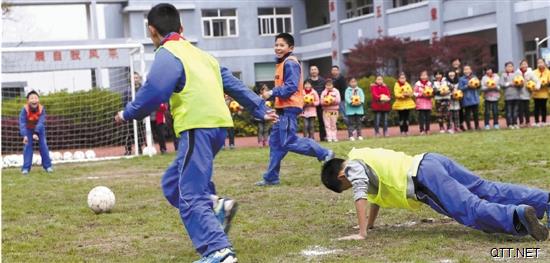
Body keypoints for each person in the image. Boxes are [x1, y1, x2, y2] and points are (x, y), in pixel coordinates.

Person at [114, 4, 277, 262]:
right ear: (181, 28)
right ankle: (216, 206)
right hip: (217, 127)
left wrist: (127, 113)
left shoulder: (167, 53)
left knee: (190, 193)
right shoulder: (203, 55)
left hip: (196, 127)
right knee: (172, 184)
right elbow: (232, 83)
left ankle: (218, 250)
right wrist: (259, 107)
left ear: (152, 31)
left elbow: (155, 91)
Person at [321, 147, 550, 241]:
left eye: (346, 187)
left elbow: (361, 194)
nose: (351, 186)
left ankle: (517, 217)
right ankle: (544, 201)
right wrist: (370, 224)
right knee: (486, 188)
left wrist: (362, 234)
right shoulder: (362, 155)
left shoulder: (352, 169)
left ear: (341, 177)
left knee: (468, 208)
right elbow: (374, 199)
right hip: (430, 160)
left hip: (423, 178)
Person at [259, 33, 333, 186]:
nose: (278, 48)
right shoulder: (282, 63)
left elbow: (291, 87)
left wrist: (272, 93)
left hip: (288, 109)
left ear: (290, 48)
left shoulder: (290, 63)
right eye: (276, 45)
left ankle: (325, 153)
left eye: (282, 45)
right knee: (276, 143)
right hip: (283, 109)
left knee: (288, 141)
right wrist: (270, 96)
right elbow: (285, 87)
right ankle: (271, 177)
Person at [19, 90, 53, 175]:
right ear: (28, 101)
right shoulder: (24, 109)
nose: (34, 100)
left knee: (43, 146)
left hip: (39, 130)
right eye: (31, 98)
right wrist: (25, 135)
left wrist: (36, 133)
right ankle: (26, 168)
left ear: (38, 100)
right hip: (28, 130)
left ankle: (48, 166)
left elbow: (41, 122)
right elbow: (22, 123)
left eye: (36, 98)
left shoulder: (42, 109)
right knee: (27, 147)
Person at [124, 71, 146, 155]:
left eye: (136, 78)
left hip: (140, 114)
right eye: (133, 78)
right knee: (129, 133)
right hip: (130, 114)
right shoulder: (127, 91)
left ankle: (139, 148)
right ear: (130, 79)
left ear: (139, 79)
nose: (135, 79)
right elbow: (124, 103)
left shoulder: (143, 89)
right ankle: (128, 150)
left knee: (140, 132)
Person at [516, 59, 540, 128]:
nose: (524, 65)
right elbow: (514, 81)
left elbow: (537, 81)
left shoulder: (530, 73)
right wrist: (518, 84)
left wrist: (536, 87)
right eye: (522, 64)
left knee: (527, 109)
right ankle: (521, 123)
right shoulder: (517, 73)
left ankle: (528, 122)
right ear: (520, 65)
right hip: (518, 94)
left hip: (526, 94)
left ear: (527, 65)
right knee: (520, 110)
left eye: (525, 64)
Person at [306, 65, 327, 141]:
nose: (314, 71)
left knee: (322, 120)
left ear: (318, 71)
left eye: (315, 69)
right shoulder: (307, 81)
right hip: (310, 105)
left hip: (321, 104)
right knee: (309, 123)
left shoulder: (323, 80)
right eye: (312, 70)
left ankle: (323, 137)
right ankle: (310, 138)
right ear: (310, 71)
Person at [459, 65, 481, 130]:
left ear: (471, 70)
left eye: (468, 69)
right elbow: (460, 88)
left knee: (476, 113)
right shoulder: (461, 79)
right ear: (463, 71)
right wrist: (467, 86)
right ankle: (469, 127)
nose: (467, 71)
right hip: (466, 99)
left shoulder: (474, 77)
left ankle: (477, 126)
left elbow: (478, 86)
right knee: (467, 114)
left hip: (474, 98)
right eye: (465, 69)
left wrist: (477, 85)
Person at [500, 61, 521, 129]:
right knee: (509, 111)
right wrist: (509, 83)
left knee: (515, 111)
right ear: (505, 68)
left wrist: (518, 84)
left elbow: (521, 83)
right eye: (508, 66)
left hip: (516, 96)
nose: (510, 68)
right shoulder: (503, 75)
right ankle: (509, 124)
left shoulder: (516, 74)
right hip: (508, 97)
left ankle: (515, 123)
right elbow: (501, 84)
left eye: (511, 66)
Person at [414, 70, 433, 135]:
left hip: (428, 103)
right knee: (421, 118)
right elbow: (414, 93)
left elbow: (432, 92)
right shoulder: (417, 84)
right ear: (420, 76)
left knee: (428, 117)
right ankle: (421, 130)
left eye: (425, 75)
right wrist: (421, 94)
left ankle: (427, 129)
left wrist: (430, 94)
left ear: (427, 76)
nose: (424, 76)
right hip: (420, 103)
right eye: (422, 75)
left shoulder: (429, 83)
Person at [450, 58, 466, 131]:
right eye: (454, 61)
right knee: (454, 110)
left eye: (457, 61)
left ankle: (461, 124)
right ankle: (455, 125)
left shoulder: (463, 71)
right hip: (453, 93)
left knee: (461, 109)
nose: (456, 62)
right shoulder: (450, 72)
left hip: (462, 92)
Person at [533, 58, 549, 127]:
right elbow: (531, 82)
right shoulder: (534, 72)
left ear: (544, 63)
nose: (540, 64)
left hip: (544, 93)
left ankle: (544, 121)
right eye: (538, 63)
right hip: (536, 93)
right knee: (536, 108)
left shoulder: (548, 72)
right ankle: (536, 122)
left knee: (543, 108)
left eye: (541, 62)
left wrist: (546, 83)